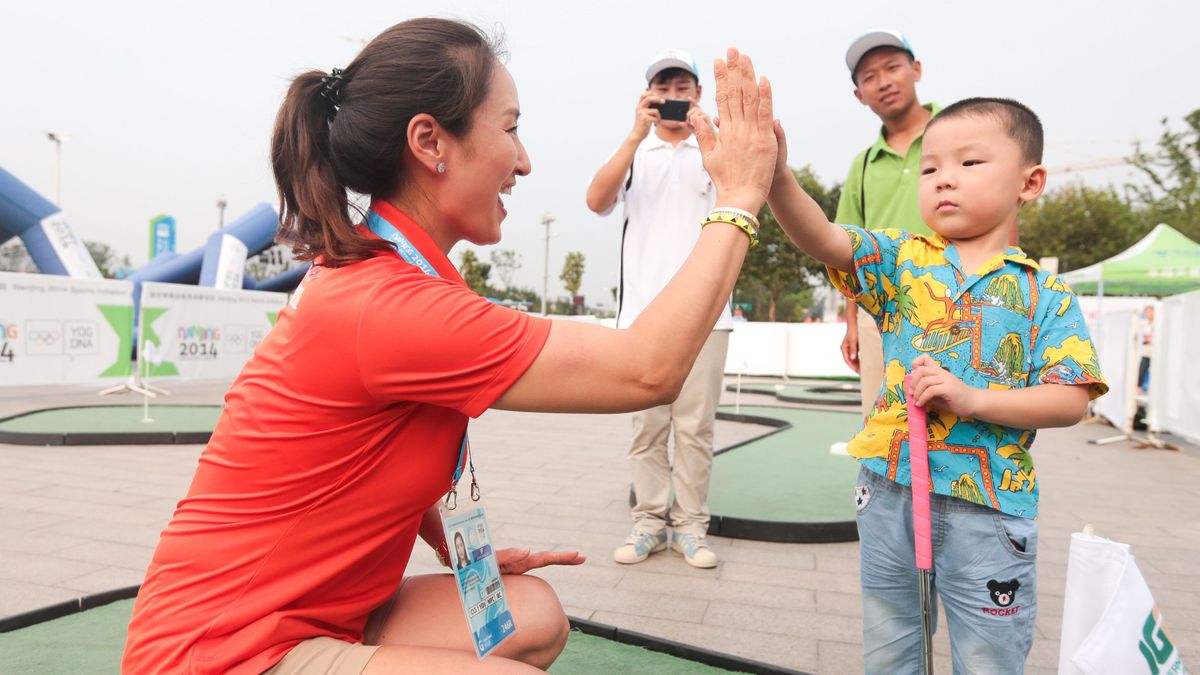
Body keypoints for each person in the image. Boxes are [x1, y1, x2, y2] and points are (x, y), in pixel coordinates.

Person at [120, 18, 777, 675]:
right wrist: (741, 195)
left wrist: (457, 545)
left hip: (307, 609)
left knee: (532, 615)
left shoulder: (391, 276)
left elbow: (372, 448)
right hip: (216, 650)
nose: (524, 162)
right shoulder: (389, 303)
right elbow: (646, 370)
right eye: (511, 128)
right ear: (430, 141)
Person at [766, 97, 1107, 672]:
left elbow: (1071, 399)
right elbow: (823, 238)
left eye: (970, 164)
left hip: (990, 507)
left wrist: (973, 399)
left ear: (1031, 181)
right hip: (888, 487)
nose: (944, 179)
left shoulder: (1045, 294)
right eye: (930, 169)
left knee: (987, 654)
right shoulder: (902, 258)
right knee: (891, 641)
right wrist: (776, 178)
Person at [586, 49, 732, 569]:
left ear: (698, 95)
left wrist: (709, 135)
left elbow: (744, 198)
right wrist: (634, 135)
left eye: (683, 87)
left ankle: (691, 528)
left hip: (708, 314)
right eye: (663, 88)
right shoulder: (636, 157)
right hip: (643, 318)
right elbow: (596, 200)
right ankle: (649, 523)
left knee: (696, 428)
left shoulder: (715, 154)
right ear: (649, 96)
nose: (674, 97)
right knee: (647, 429)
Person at [834, 30, 940, 419]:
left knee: (960, 424)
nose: (884, 81)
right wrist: (852, 322)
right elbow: (847, 249)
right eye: (869, 76)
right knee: (881, 424)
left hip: (958, 301)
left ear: (916, 69)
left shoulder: (962, 134)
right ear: (860, 95)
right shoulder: (862, 165)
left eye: (892, 67)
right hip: (880, 311)